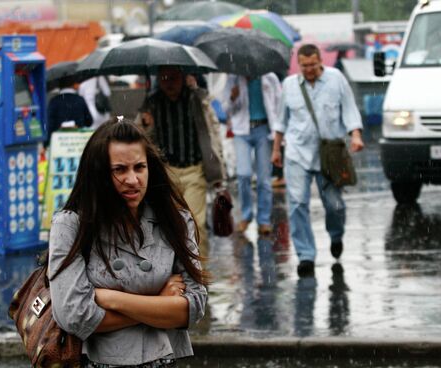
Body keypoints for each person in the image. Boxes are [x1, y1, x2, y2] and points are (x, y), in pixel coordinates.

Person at [48, 117, 208, 367]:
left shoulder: (175, 220)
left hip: (162, 359)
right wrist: (160, 301)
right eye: (119, 169)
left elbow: (195, 306)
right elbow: (75, 316)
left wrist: (112, 299)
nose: (132, 180)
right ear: (99, 173)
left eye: (139, 167)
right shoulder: (71, 225)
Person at [271, 44, 364, 277]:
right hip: (297, 153)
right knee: (298, 204)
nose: (309, 69)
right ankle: (306, 255)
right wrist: (275, 150)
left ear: (320, 61)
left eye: (313, 65)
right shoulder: (290, 85)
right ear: (299, 65)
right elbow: (281, 121)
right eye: (304, 66)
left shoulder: (336, 79)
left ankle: (336, 234)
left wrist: (355, 135)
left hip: (329, 156)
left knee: (335, 205)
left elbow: (350, 110)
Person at [139, 66, 225, 258]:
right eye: (164, 78)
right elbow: (141, 140)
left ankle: (199, 274)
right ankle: (176, 271)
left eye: (174, 78)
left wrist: (218, 172)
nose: (169, 83)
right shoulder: (151, 103)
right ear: (158, 80)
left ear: (184, 78)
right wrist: (145, 125)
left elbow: (212, 134)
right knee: (169, 226)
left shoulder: (197, 100)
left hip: (194, 170)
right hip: (166, 173)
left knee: (196, 225)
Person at [222, 72, 282, 235]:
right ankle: (246, 215)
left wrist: (279, 134)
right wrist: (233, 97)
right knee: (244, 175)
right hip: (242, 131)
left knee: (264, 180)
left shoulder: (270, 77)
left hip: (264, 130)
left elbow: (279, 105)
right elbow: (225, 109)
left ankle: (263, 220)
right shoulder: (233, 78)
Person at [46, 77, 93, 147]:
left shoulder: (54, 101)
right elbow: (89, 121)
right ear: (73, 84)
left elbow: (49, 125)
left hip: (59, 143)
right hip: (78, 142)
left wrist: (46, 144)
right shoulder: (80, 100)